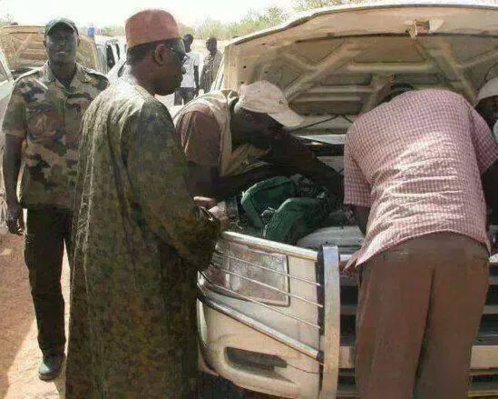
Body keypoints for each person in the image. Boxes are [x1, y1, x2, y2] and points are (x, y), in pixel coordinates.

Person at [65, 9, 220, 398]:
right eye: (181, 59)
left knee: (108, 367)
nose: (184, 70)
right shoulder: (147, 113)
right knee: (151, 373)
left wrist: (181, 202)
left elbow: (125, 187)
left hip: (101, 263)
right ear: (161, 55)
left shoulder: (104, 102)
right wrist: (211, 221)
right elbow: (172, 217)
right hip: (138, 276)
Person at [343, 85, 498, 399]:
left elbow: (362, 211)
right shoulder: (454, 101)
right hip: (465, 245)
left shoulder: (358, 128)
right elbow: (492, 173)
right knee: (448, 369)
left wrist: (371, 246)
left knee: (386, 369)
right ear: (415, 92)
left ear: (382, 103)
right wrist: (485, 230)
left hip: (396, 246)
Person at [2, 18, 108, 381]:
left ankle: (90, 346)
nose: (61, 42)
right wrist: (11, 200)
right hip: (42, 204)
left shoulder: (98, 86)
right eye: (55, 37)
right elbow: (11, 143)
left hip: (87, 205)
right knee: (44, 281)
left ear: (78, 42)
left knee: (89, 279)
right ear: (44, 43)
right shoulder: (26, 87)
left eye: (68, 36)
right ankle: (52, 349)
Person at [174, 80, 344, 201]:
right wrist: (263, 174)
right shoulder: (203, 119)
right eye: (274, 128)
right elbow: (202, 193)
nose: (278, 135)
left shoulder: (264, 131)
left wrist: (351, 197)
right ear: (249, 118)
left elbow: (312, 166)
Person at [174, 33, 200, 105]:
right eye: (183, 41)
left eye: (186, 41)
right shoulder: (177, 53)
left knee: (188, 111)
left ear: (190, 42)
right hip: (178, 86)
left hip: (189, 87)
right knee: (176, 109)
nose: (184, 43)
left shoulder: (195, 55)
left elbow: (196, 71)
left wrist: (197, 86)